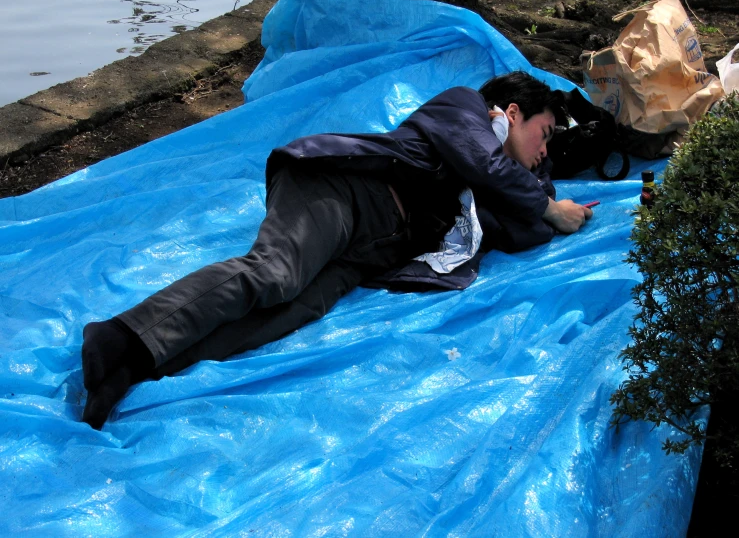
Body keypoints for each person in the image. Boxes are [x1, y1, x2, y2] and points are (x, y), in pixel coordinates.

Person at [80, 71, 593, 429]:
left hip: (369, 252)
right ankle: (120, 335)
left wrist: (546, 200)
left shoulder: (495, 187)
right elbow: (491, 169)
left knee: (288, 311)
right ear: (511, 112)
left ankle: (140, 364)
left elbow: (522, 231)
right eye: (544, 136)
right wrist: (549, 205)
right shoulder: (463, 109)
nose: (544, 153)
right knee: (275, 274)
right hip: (340, 191)